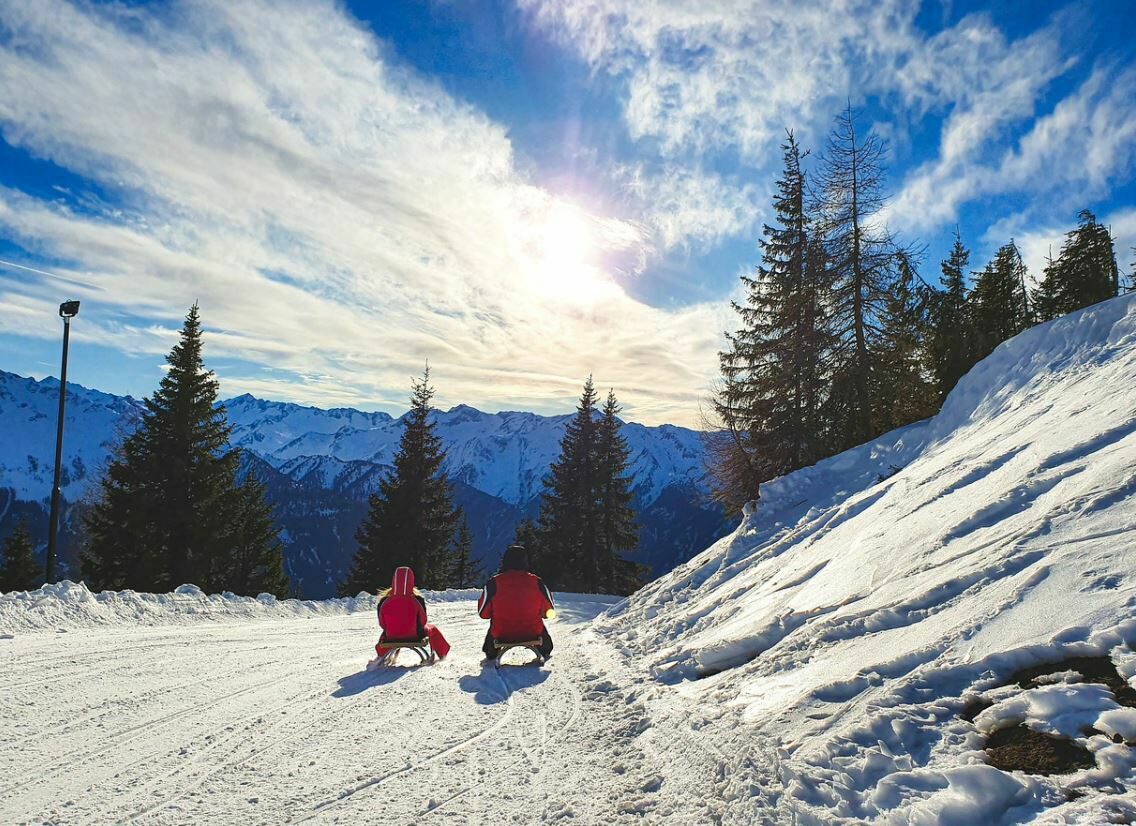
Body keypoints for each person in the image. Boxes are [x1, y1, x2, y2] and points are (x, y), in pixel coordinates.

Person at [477, 544, 555, 661]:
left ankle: (491, 652)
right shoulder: (537, 582)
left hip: (501, 634)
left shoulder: (493, 583)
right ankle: (543, 649)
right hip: (533, 632)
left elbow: (483, 614)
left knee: (490, 640)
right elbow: (549, 612)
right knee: (546, 644)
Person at [375, 566, 450, 660]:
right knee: (433, 629)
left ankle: (381, 657)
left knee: (385, 634)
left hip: (391, 636)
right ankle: (443, 655)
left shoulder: (384, 601)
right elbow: (423, 621)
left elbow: (382, 624)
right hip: (415, 636)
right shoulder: (417, 600)